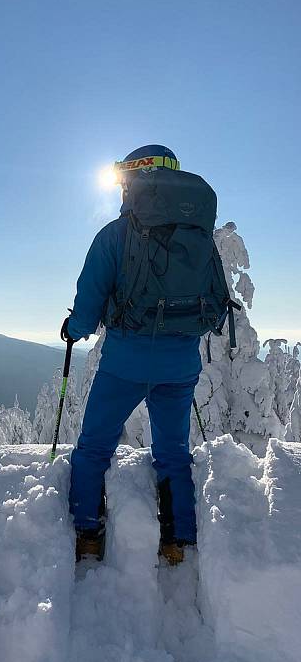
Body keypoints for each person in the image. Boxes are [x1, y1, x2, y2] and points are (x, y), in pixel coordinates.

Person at [63, 144, 226, 566]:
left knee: (95, 446)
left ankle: (88, 533)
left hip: (125, 363)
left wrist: (74, 329)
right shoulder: (198, 236)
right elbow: (215, 300)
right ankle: (177, 539)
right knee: (172, 450)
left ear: (132, 179)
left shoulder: (114, 236)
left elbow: (90, 300)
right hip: (180, 363)